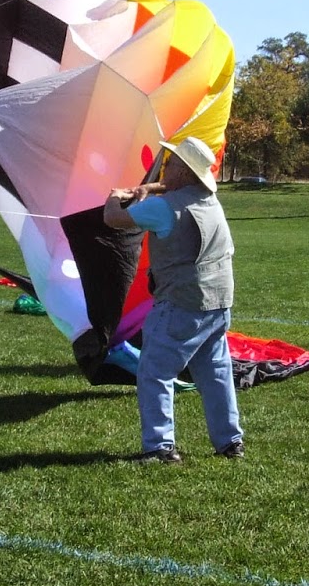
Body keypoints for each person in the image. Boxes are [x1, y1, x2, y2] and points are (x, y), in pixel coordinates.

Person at [102, 136, 244, 464]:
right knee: (215, 372)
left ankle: (160, 447)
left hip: (183, 302)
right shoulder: (208, 200)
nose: (167, 165)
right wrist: (147, 189)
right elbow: (172, 189)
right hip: (218, 302)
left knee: (154, 372)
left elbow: (113, 219)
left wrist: (115, 197)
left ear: (184, 171)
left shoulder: (166, 208)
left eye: (173, 162)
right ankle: (230, 441)